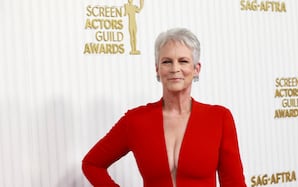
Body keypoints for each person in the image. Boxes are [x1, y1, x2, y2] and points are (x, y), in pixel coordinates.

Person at [82, 28, 247, 187]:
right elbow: (92, 164)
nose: (175, 69)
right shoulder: (135, 121)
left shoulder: (219, 118)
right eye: (167, 62)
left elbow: (234, 184)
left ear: (196, 69)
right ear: (157, 69)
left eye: (183, 61)